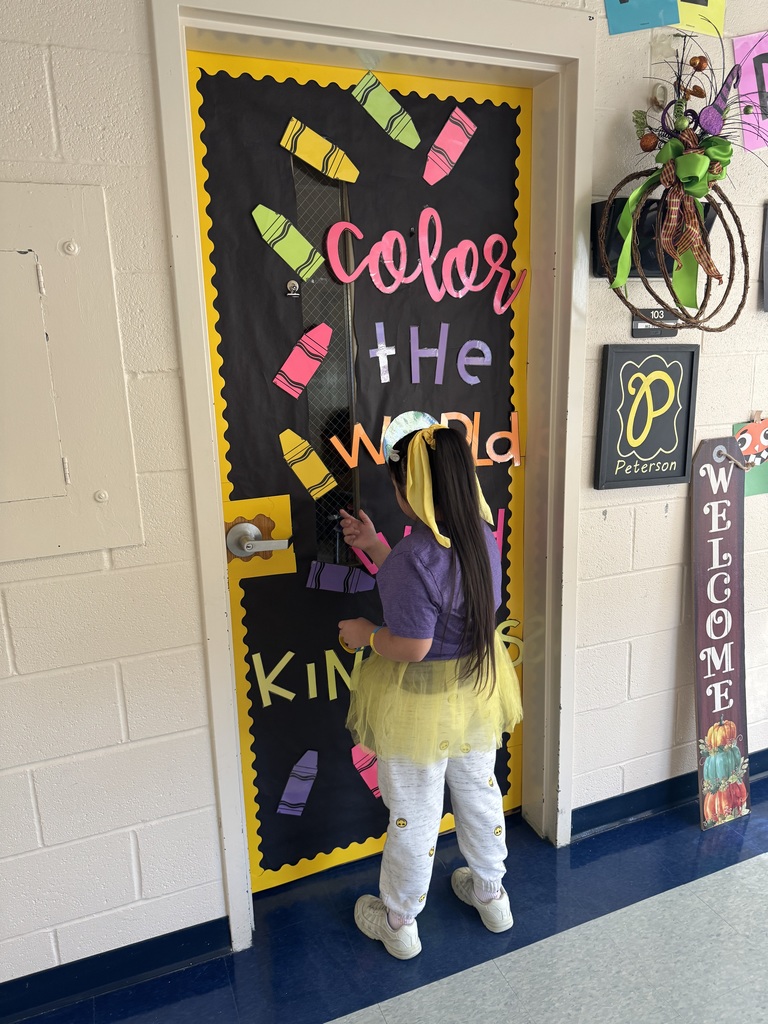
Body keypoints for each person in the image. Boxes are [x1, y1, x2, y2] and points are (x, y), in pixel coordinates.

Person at [338, 411, 522, 960]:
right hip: (475, 694)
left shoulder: (412, 560)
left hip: (419, 702)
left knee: (413, 814)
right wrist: (375, 547)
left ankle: (399, 921)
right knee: (479, 793)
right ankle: (492, 894)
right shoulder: (482, 540)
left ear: (408, 487)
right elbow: (433, 590)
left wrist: (367, 633)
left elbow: (412, 643)